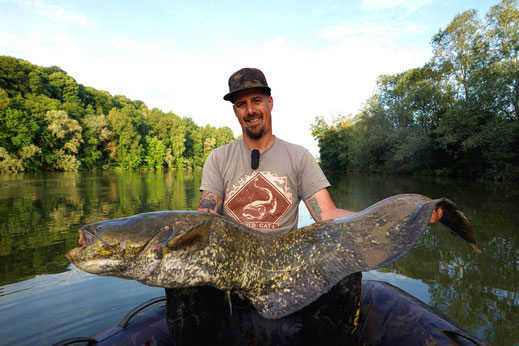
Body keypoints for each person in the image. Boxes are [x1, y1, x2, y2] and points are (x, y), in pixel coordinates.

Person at [165, 68, 443, 345]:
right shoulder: (218, 158)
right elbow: (205, 219)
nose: (250, 110)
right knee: (180, 277)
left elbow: (328, 215)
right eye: (241, 104)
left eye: (256, 100)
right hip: (229, 274)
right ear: (235, 111)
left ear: (270, 103)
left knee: (346, 272)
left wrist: (402, 217)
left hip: (285, 275)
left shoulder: (299, 157)